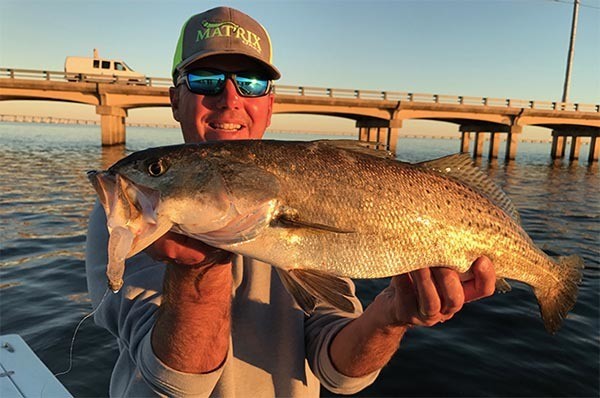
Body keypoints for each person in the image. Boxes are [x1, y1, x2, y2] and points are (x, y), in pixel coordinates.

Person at [86, 6, 496, 397]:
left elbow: (337, 371)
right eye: (206, 78)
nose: (229, 98)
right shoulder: (133, 216)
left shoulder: (320, 187)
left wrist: (391, 315)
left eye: (250, 83)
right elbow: (178, 385)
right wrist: (196, 271)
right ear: (175, 99)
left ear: (269, 105)